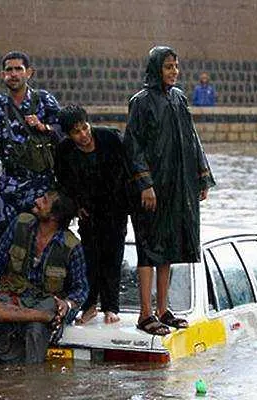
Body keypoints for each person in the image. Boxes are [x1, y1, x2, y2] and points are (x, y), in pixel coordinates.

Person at [124, 46, 216, 336]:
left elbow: (191, 138)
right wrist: (145, 184)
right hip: (151, 189)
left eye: (176, 66)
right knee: (148, 249)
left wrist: (201, 178)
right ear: (156, 69)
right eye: (168, 67)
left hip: (176, 187)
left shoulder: (178, 98)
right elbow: (133, 145)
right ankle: (144, 314)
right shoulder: (141, 102)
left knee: (167, 249)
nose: (173, 72)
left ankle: (163, 310)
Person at [0, 190, 88, 363]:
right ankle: (41, 318)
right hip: (17, 299)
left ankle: (31, 375)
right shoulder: (20, 224)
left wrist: (67, 304)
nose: (37, 200)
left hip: (47, 302)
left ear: (55, 216)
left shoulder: (72, 246)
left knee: (36, 328)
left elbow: (81, 289)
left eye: (44, 200)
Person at [55, 104, 130, 325]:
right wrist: (76, 205)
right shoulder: (65, 150)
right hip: (88, 210)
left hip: (115, 206)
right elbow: (63, 181)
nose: (83, 135)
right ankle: (89, 306)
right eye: (76, 132)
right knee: (91, 257)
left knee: (113, 255)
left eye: (85, 128)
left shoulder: (111, 138)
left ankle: (111, 306)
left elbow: (131, 165)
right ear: (69, 134)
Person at [0, 51, 61, 245]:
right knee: (2, 237)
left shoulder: (44, 101)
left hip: (41, 186)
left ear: (29, 73)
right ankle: (6, 276)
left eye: (19, 69)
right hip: (10, 184)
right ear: (3, 75)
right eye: (9, 70)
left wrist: (44, 127)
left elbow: (65, 133)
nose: (13, 74)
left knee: (42, 238)